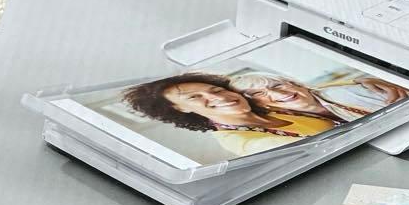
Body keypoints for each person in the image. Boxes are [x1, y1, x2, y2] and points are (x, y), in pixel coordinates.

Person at [122, 73, 337, 157]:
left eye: (216, 90)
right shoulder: (242, 141)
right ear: (180, 109)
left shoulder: (266, 106)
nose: (218, 97)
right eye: (194, 97)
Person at [229, 70, 409, 121]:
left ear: (295, 83)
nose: (278, 93)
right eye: (258, 93)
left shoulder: (347, 93)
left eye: (277, 85)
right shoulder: (292, 121)